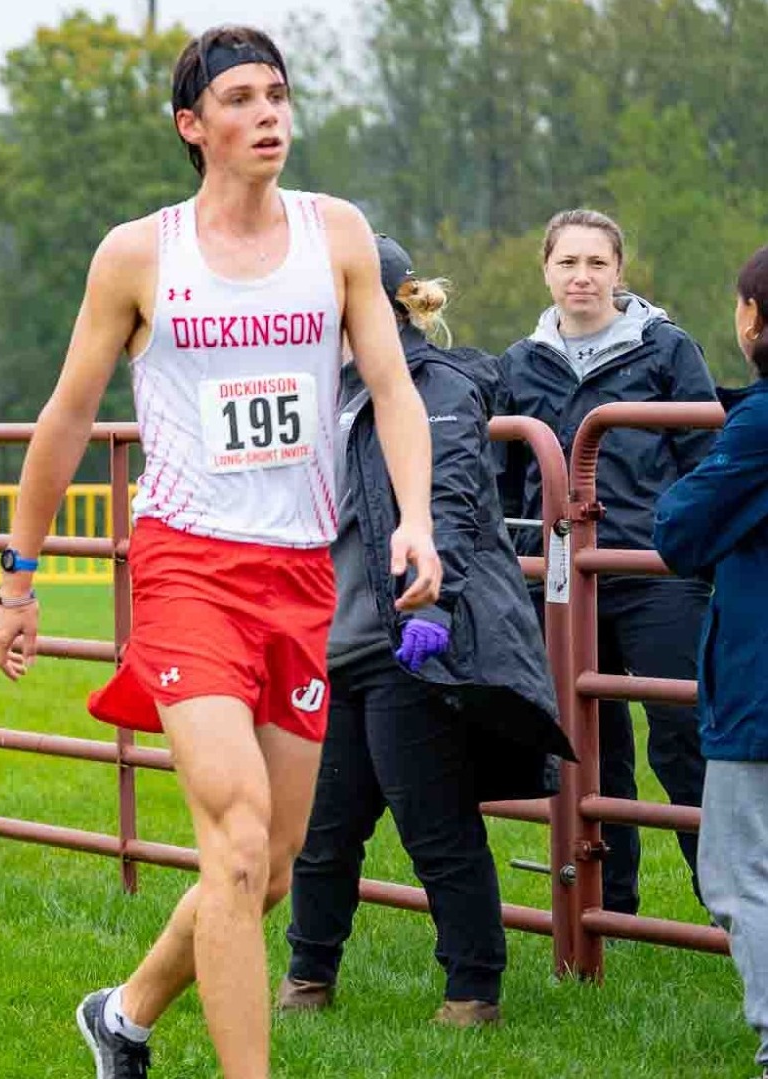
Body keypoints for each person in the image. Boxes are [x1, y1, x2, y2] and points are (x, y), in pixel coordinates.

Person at [0, 27, 442, 1079]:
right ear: (193, 127)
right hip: (187, 565)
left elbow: (396, 388)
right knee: (232, 841)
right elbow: (64, 417)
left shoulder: (338, 236)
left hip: (300, 571)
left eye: (278, 94)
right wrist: (20, 573)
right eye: (239, 99)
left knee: (269, 866)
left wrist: (413, 514)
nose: (268, 114)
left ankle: (126, 1010)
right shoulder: (139, 254)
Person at [280, 237, 572, 1028]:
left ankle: (473, 990)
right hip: (327, 640)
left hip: (402, 638)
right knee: (322, 830)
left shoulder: (433, 384)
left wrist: (430, 609)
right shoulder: (315, 388)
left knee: (434, 821)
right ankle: (308, 977)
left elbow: (447, 501)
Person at [495, 208, 717, 916]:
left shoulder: (666, 352)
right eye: (568, 263)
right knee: (587, 745)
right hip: (561, 586)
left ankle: (729, 899)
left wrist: (683, 550)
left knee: (683, 735)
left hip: (654, 576)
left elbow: (704, 462)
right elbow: (503, 480)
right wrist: (520, 560)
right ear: (547, 271)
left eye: (596, 263)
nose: (582, 276)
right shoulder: (519, 364)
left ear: (621, 271)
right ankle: (605, 907)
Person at [654, 242, 768, 1079]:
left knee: (741, 870)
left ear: (753, 318)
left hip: (761, 687)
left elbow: (680, 530)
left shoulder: (760, 427)